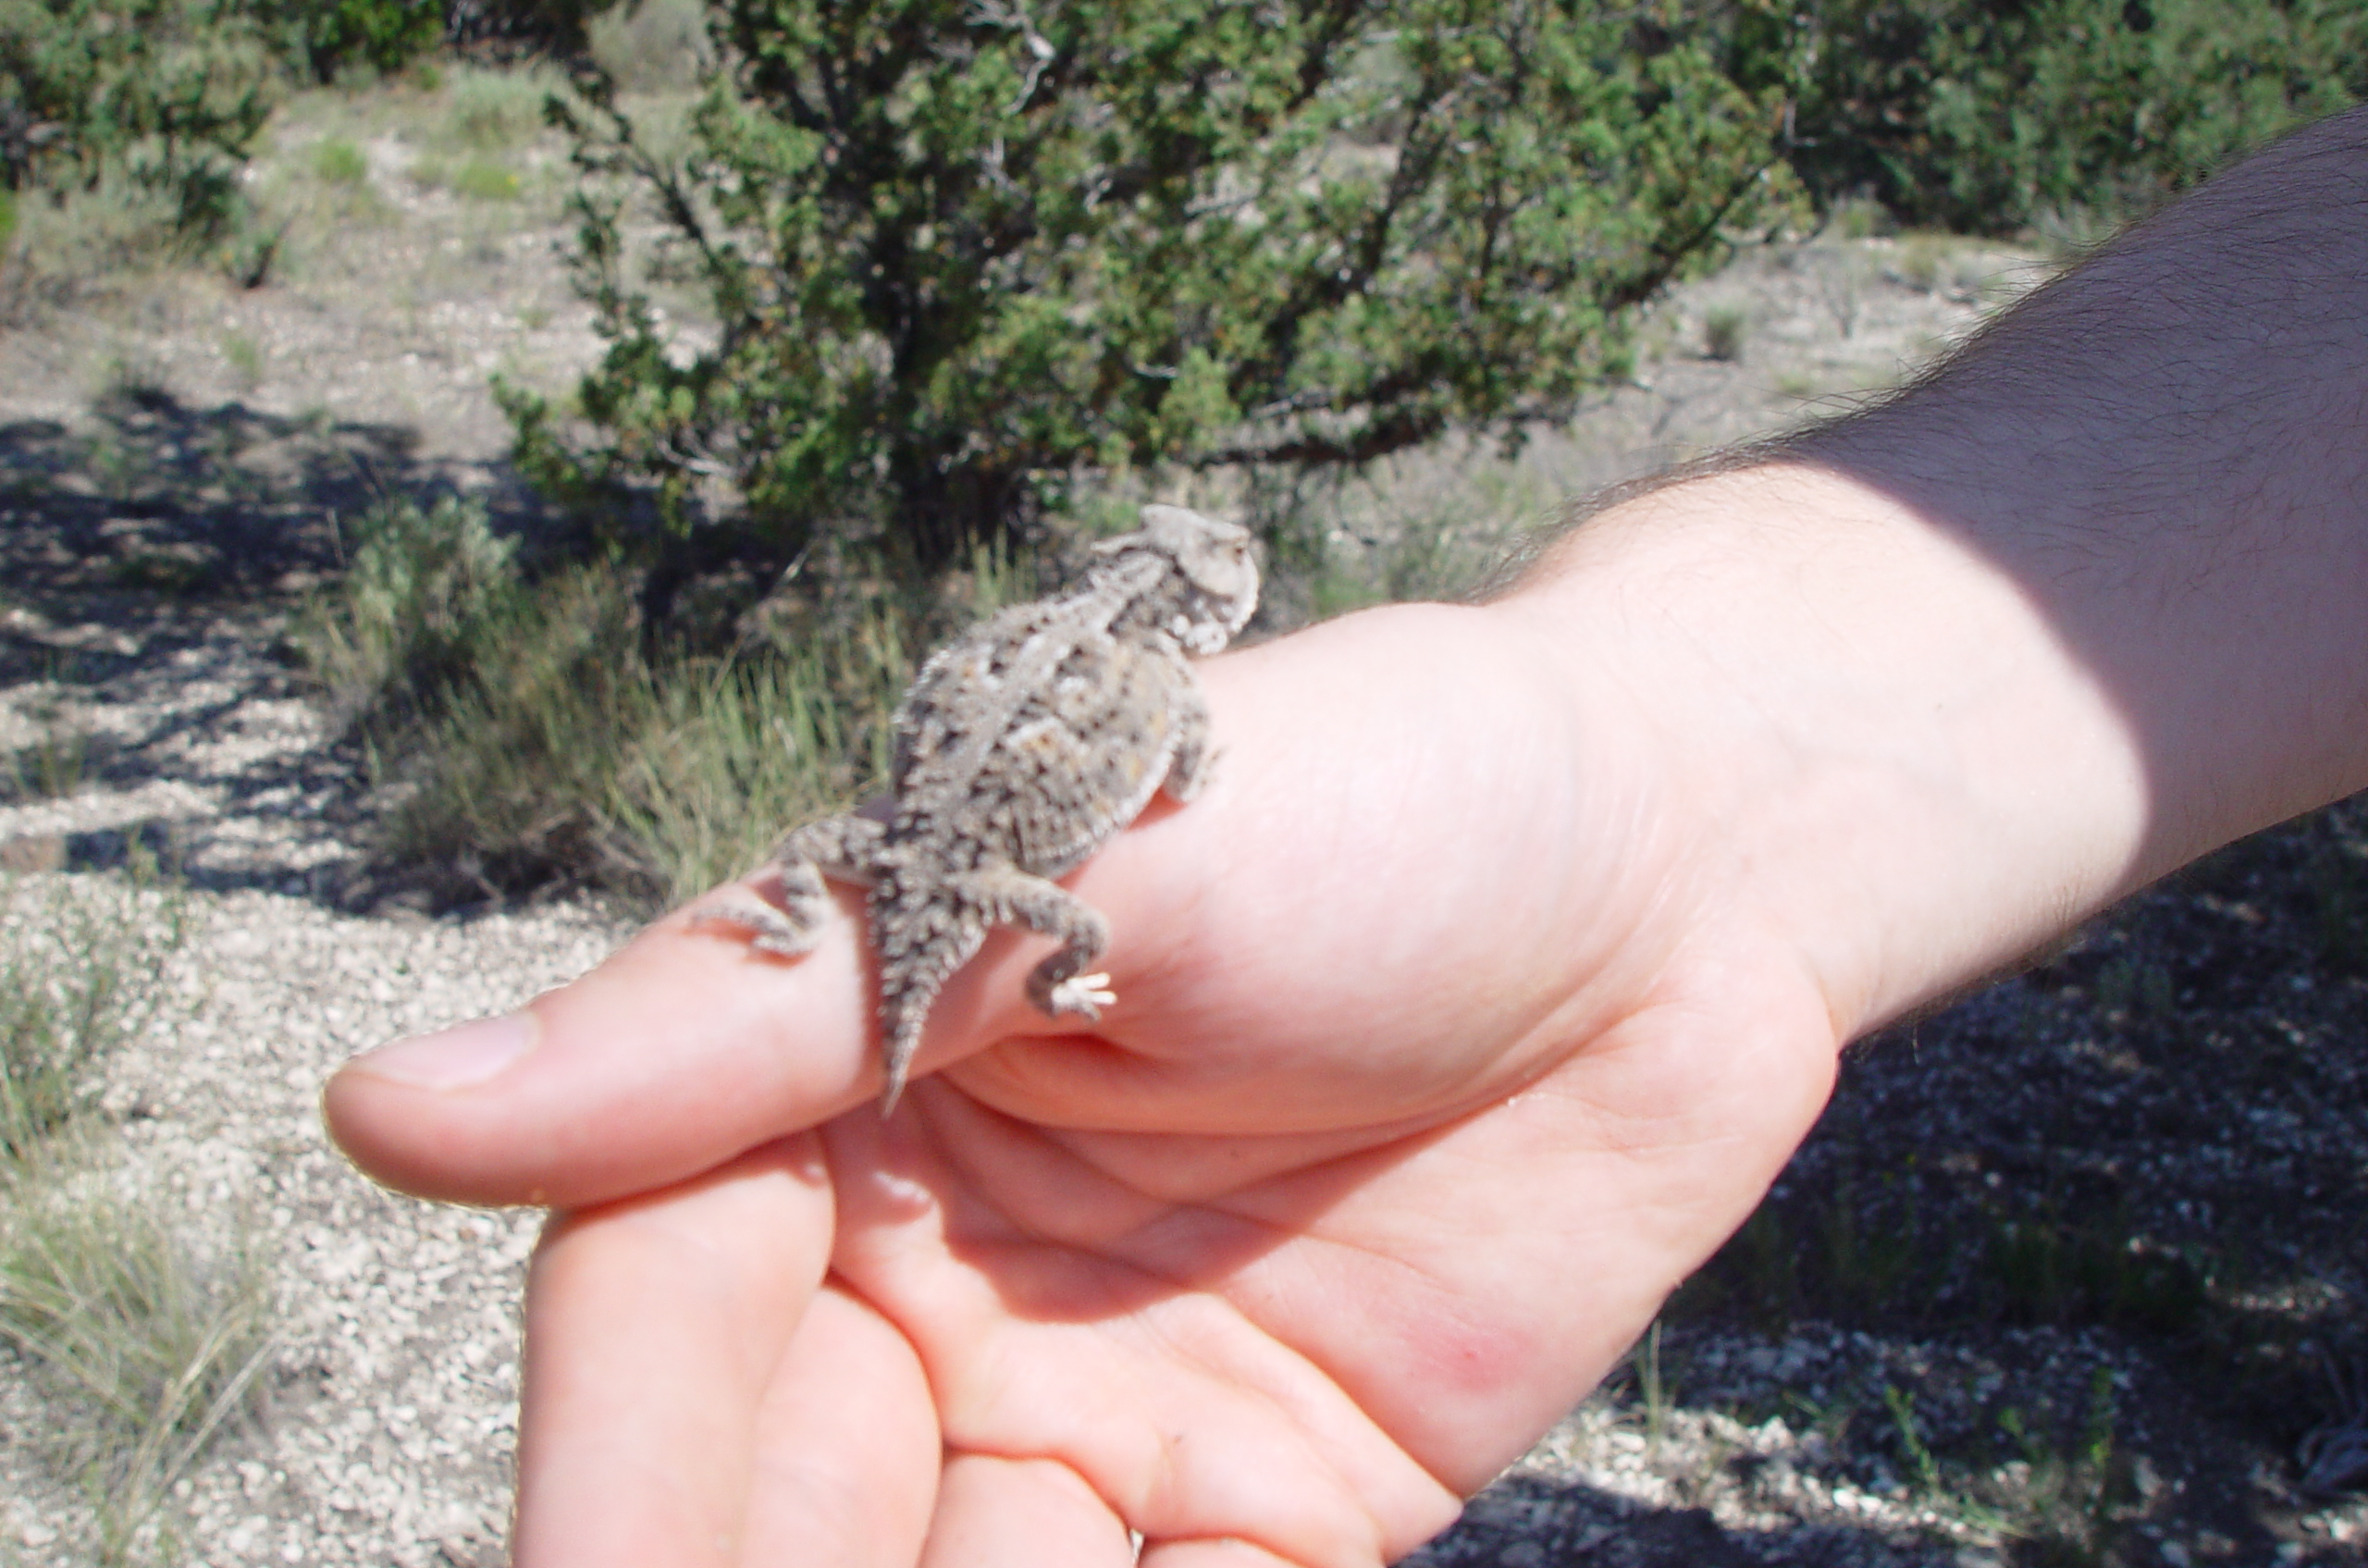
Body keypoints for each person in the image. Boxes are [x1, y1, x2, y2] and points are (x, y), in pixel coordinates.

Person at [324, 105, 2368, 1568]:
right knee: (978, 922)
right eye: (1205, 575)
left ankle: (825, 920)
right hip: (995, 877)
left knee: (885, 882)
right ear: (1179, 609)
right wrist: (1695, 781)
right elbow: (1190, 784)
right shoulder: (1155, 704)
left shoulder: (1057, 655)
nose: (1219, 590)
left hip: (894, 851)